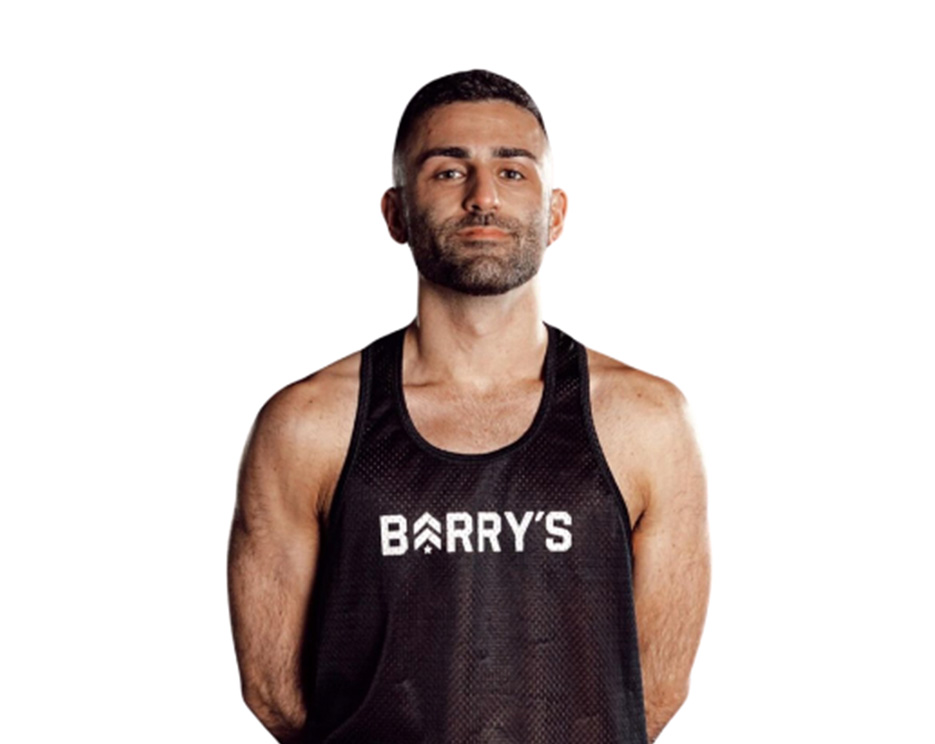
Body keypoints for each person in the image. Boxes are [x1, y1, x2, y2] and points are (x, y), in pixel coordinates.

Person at [228, 69, 710, 744]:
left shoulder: (644, 421)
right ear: (397, 213)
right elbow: (275, 694)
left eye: (513, 173)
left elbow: (652, 689)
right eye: (448, 172)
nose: (483, 198)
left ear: (557, 214)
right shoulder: (308, 424)